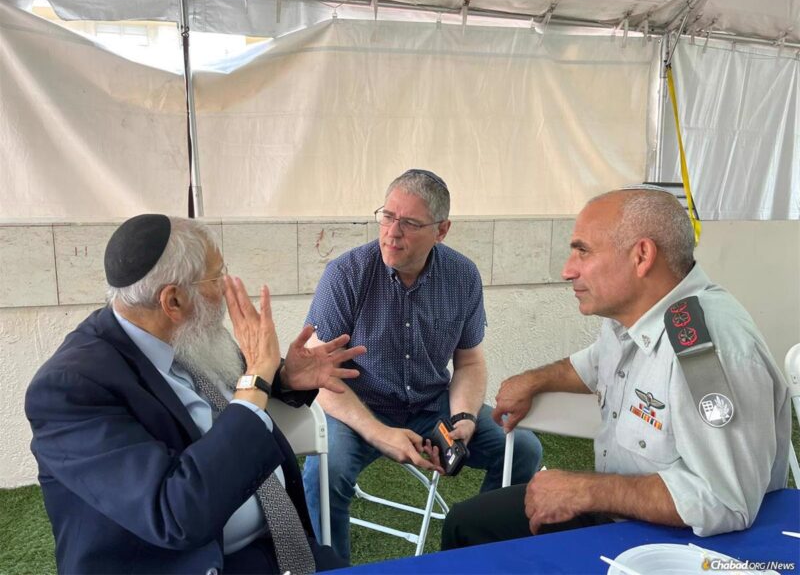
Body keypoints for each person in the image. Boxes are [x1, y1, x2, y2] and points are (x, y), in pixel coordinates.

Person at [441, 186, 791, 549]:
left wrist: (587, 490)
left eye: (583, 251)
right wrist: (535, 380)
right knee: (466, 524)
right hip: (620, 513)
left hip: (679, 544)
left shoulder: (709, 352)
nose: (567, 270)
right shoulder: (633, 315)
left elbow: (725, 501)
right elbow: (595, 363)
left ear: (642, 256)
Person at [25, 214, 366, 574]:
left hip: (278, 545)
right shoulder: (70, 388)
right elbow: (175, 514)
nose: (226, 288)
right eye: (216, 277)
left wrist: (282, 377)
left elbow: (236, 392)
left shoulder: (187, 336)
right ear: (172, 301)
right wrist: (256, 377)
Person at [301, 169, 542, 559]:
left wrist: (463, 416)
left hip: (433, 406)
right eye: (387, 216)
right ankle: (333, 570)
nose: (392, 232)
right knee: (324, 474)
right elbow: (320, 374)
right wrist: (380, 433)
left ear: (441, 230)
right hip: (357, 409)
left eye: (410, 223)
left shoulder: (462, 276)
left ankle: (480, 552)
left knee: (524, 449)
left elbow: (469, 361)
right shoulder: (345, 274)